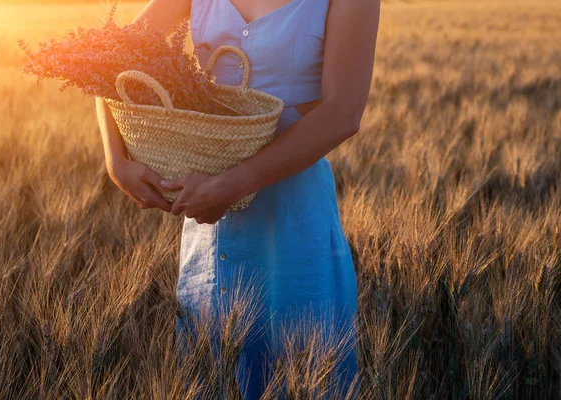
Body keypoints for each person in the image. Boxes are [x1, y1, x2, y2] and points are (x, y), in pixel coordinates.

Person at [95, 0, 380, 397]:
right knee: (214, 375)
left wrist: (231, 185)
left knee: (304, 373)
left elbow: (343, 112)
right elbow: (107, 56)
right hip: (211, 221)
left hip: (294, 220)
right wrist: (116, 162)